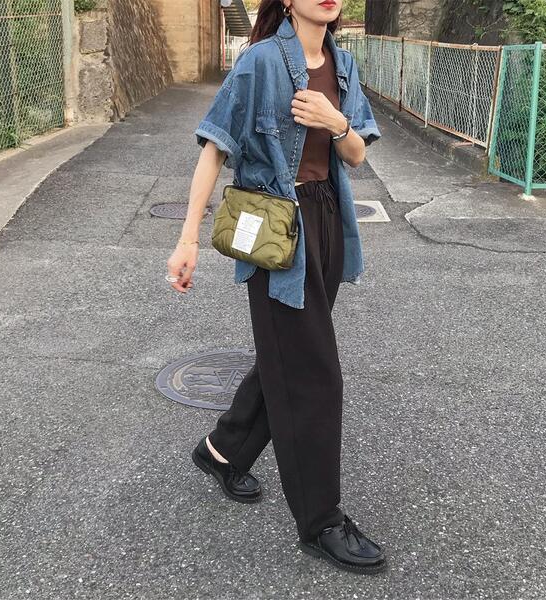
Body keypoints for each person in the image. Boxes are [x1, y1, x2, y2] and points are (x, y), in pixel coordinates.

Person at [166, 0, 385, 575]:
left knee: (286, 355)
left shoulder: (342, 65)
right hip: (274, 232)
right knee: (313, 373)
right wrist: (188, 238)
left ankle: (223, 451)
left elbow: (356, 155)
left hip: (328, 222)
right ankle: (321, 521)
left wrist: (335, 122)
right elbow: (216, 146)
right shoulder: (260, 61)